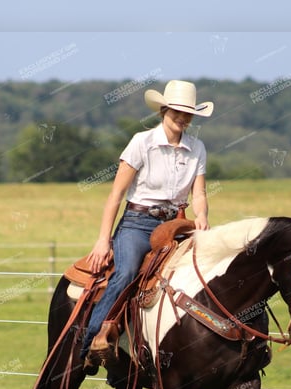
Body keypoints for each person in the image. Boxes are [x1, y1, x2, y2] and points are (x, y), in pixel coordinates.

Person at [80, 80, 214, 371]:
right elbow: (116, 194)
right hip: (137, 223)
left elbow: (199, 193)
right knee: (127, 272)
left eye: (187, 113)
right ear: (164, 110)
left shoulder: (197, 148)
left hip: (177, 225)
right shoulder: (142, 142)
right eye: (177, 111)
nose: (182, 118)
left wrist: (201, 216)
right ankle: (89, 342)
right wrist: (104, 240)